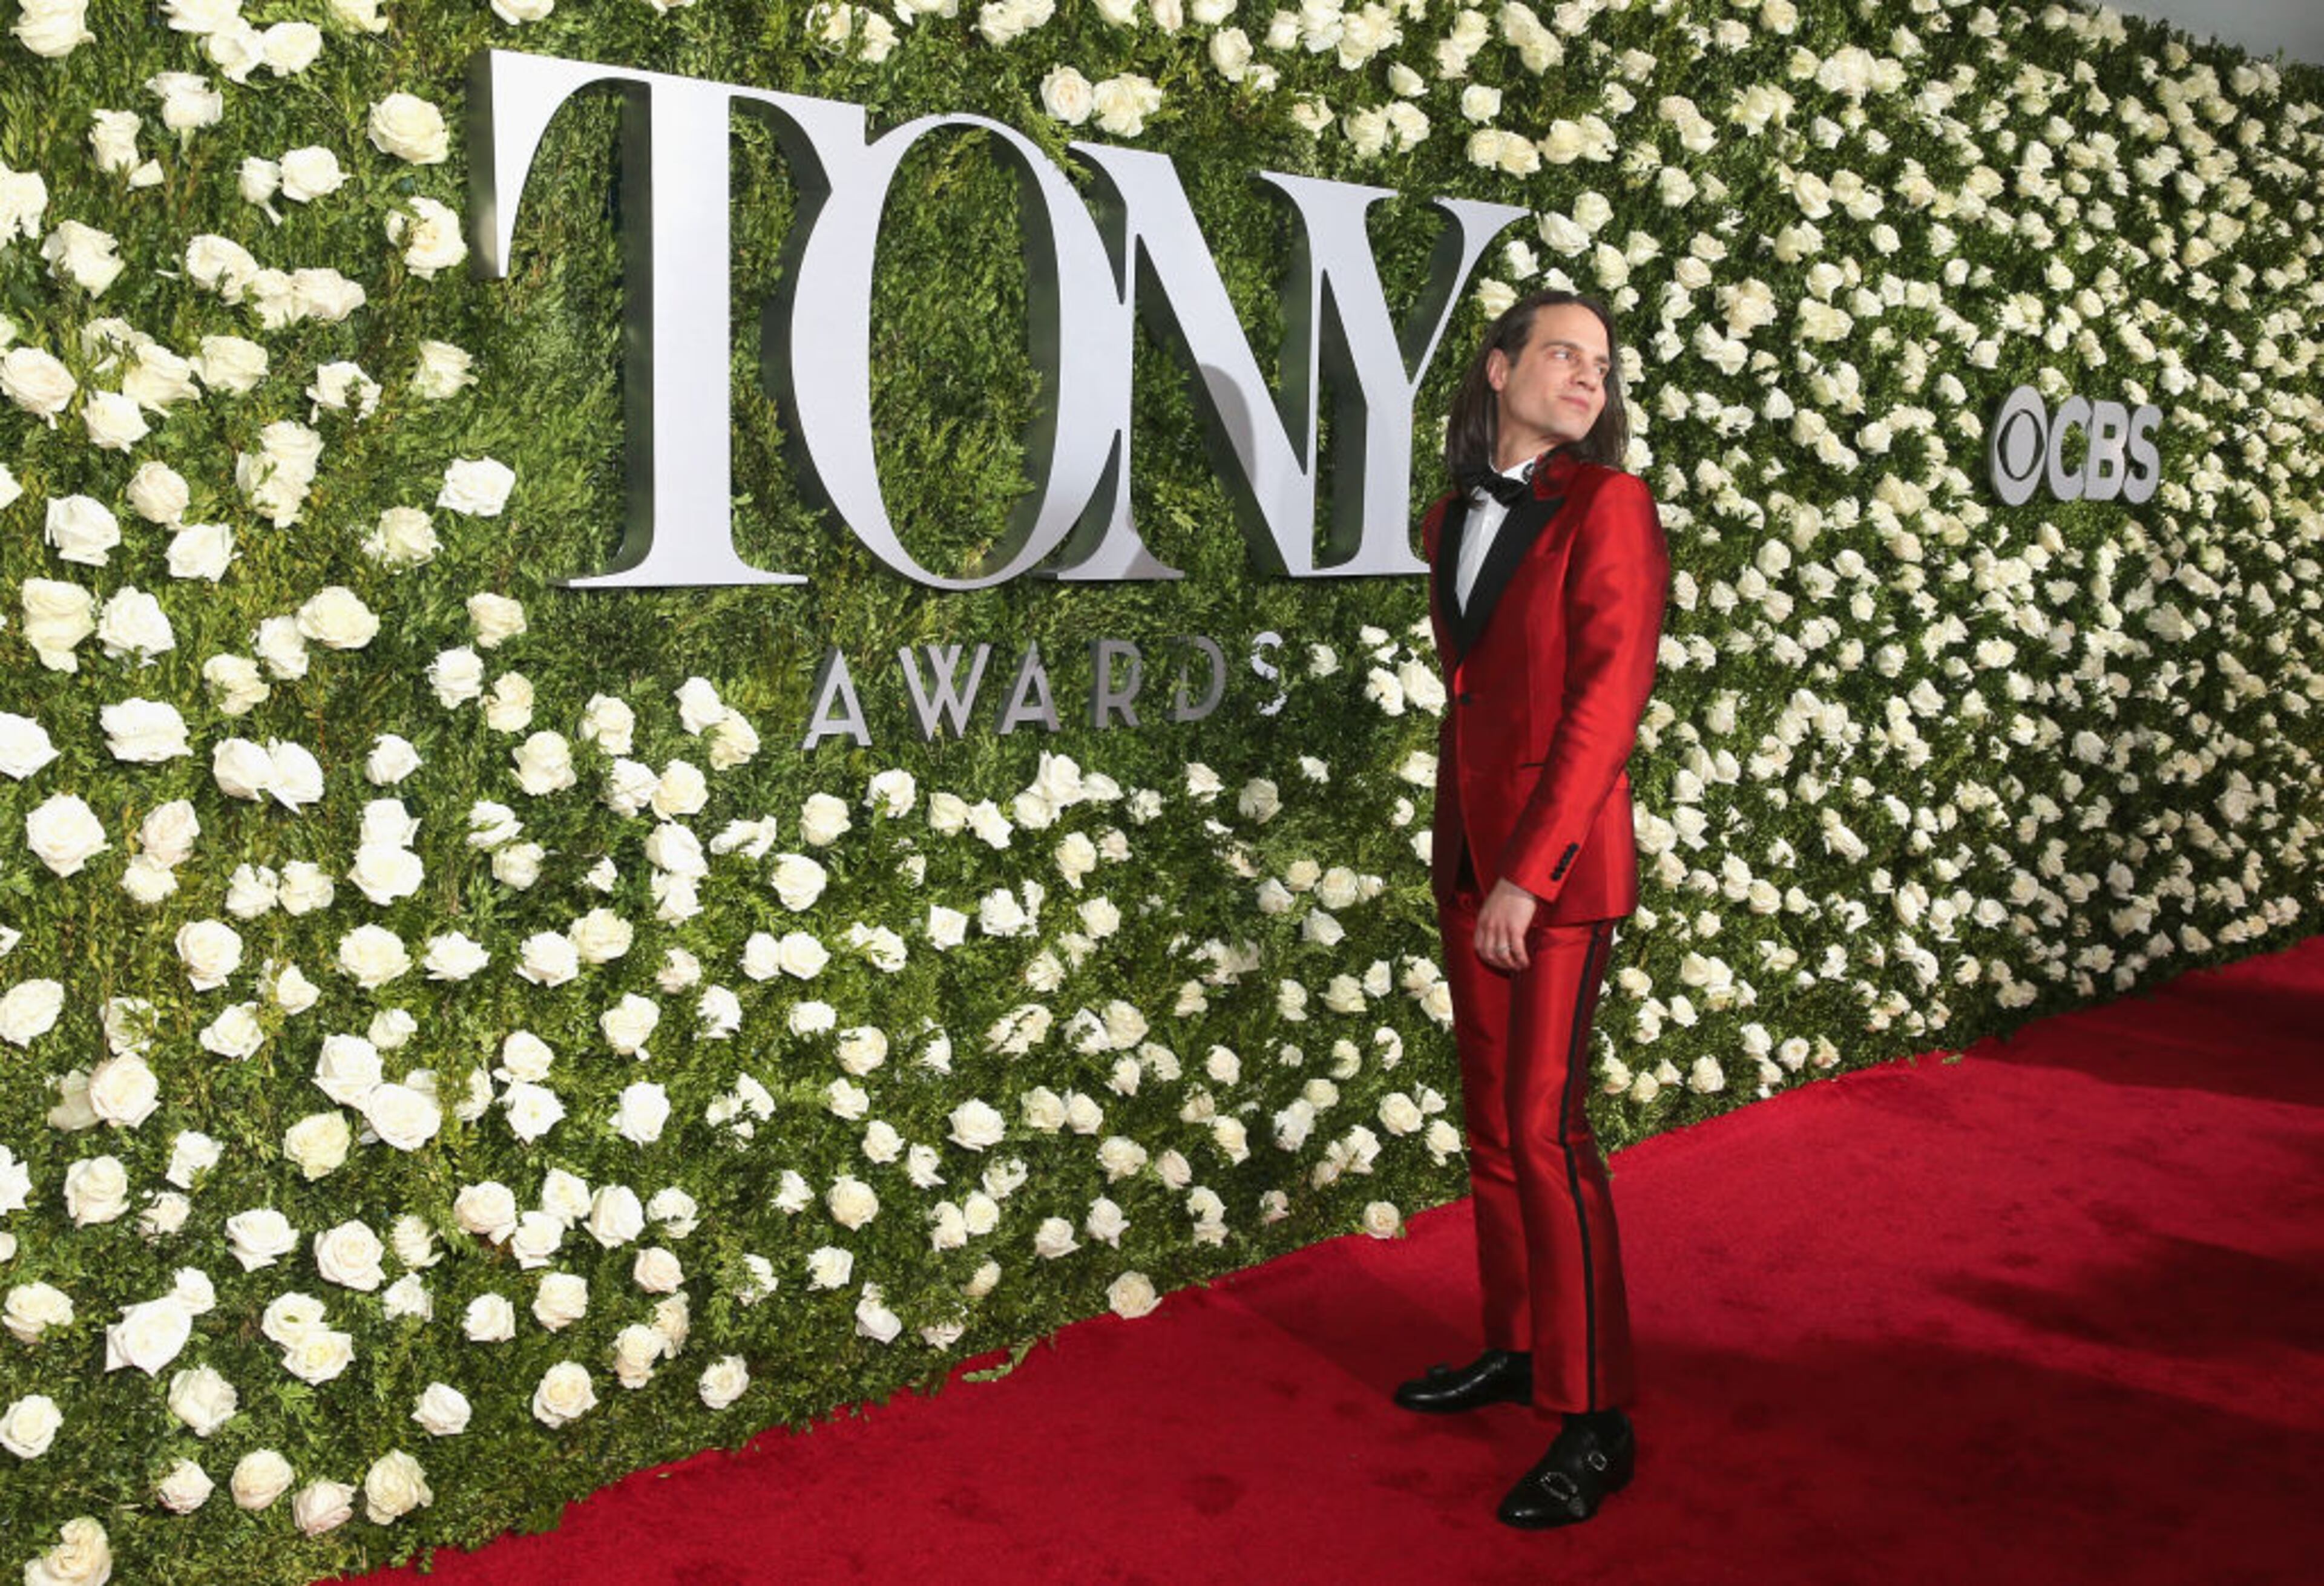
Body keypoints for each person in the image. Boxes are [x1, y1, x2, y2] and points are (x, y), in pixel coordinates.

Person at [1392, 289, 1669, 1529]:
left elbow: (1608, 703)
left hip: (1548, 878)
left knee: (1549, 1132)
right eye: (1564, 352)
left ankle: (1595, 1416)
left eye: (1602, 364)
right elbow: (1480, 691)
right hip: (1470, 862)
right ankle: (1518, 1347)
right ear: (1499, 368)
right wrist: (1476, 862)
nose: (1587, 375)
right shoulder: (1452, 513)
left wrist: (1528, 870)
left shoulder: (1609, 506)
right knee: (1494, 1128)